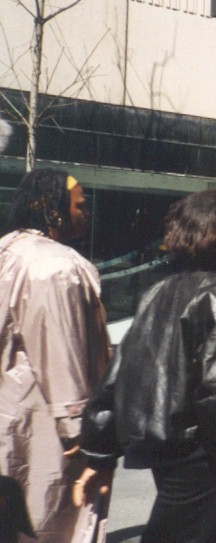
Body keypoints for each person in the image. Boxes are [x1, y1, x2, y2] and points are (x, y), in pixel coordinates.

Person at [75, 188, 216, 542]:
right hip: (205, 463)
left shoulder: (160, 291)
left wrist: (99, 453)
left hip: (169, 456)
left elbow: (119, 376)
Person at [0, 169, 112, 542]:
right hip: (41, 427)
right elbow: (63, 359)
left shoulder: (6, 250)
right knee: (50, 523)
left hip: (11, 415)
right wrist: (84, 438)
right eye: (79, 205)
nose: (86, 213)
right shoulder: (56, 266)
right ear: (52, 208)